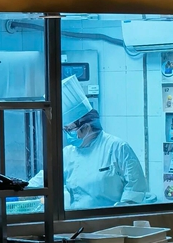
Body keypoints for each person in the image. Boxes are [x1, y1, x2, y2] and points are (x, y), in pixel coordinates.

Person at [61, 75, 147, 209]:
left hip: (109, 218)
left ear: (86, 127)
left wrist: (120, 211)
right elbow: (45, 179)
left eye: (70, 130)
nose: (67, 134)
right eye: (65, 130)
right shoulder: (67, 154)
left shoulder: (117, 147)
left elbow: (136, 187)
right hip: (77, 218)